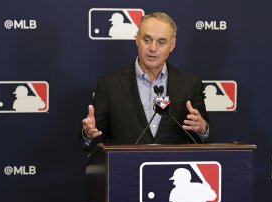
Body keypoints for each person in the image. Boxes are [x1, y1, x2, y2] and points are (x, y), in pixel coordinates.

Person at [81, 12, 212, 150]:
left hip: (172, 168)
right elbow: (96, 139)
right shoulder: (109, 85)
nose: (153, 48)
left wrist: (203, 129)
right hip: (126, 168)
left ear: (172, 45)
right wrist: (89, 135)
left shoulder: (190, 85)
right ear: (137, 39)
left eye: (161, 42)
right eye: (147, 40)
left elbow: (205, 138)